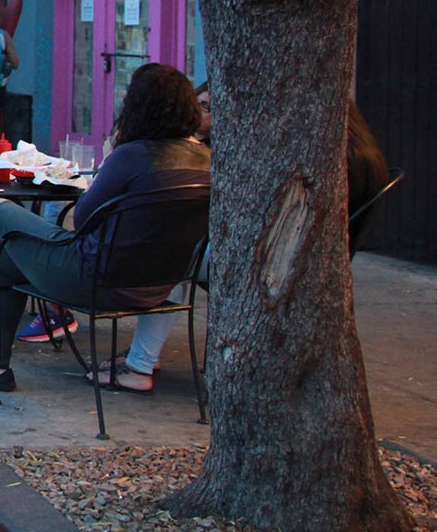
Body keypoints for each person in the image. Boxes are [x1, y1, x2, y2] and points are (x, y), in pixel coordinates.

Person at [0, 63, 209, 392]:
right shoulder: (206, 160)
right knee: (5, 255)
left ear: (139, 107)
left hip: (96, 280)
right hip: (159, 286)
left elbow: (83, 218)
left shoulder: (131, 156)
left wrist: (110, 158)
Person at [106, 86, 387, 391]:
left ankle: (139, 366)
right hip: (310, 262)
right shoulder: (358, 153)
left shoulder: (311, 162)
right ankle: (142, 359)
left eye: (208, 108)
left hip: (275, 265)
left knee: (173, 253)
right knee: (181, 247)